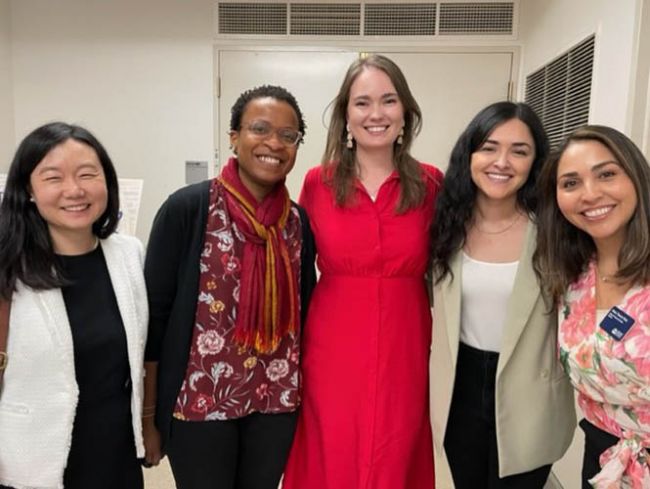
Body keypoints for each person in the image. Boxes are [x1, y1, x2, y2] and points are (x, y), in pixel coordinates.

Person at [142, 85, 316, 489]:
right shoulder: (187, 209)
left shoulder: (298, 223)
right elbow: (155, 318)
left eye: (288, 135)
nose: (274, 143)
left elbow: (307, 309)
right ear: (234, 137)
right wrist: (149, 416)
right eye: (260, 128)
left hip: (275, 403)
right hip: (200, 403)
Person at [282, 54, 442, 489]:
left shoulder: (430, 184)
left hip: (405, 341)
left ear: (405, 112)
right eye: (362, 103)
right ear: (345, 116)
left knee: (396, 441)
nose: (376, 114)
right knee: (331, 443)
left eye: (388, 101)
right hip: (333, 341)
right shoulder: (318, 182)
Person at [429, 102, 575, 489]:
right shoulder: (446, 225)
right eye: (490, 147)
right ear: (470, 154)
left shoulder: (555, 229)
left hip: (530, 388)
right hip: (460, 387)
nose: (502, 162)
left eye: (519, 151)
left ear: (536, 163)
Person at [0, 122, 148, 488]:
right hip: (31, 463)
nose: (74, 190)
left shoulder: (130, 256)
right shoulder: (7, 267)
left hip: (116, 457)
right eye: (53, 177)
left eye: (87, 174)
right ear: (28, 190)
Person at [533, 125, 650, 488]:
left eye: (607, 174)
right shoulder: (571, 280)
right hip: (603, 458)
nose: (590, 194)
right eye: (570, 183)